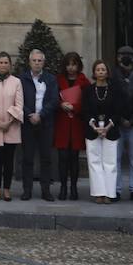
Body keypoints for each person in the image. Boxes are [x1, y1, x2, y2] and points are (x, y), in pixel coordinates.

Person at [19, 49, 60, 201]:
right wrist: (29, 114)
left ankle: (46, 191)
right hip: (28, 123)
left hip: (45, 123)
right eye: (34, 60)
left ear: (44, 62)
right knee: (27, 158)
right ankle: (27, 190)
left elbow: (54, 100)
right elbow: (18, 100)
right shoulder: (22, 79)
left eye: (39, 60)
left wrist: (40, 115)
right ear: (29, 62)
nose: (37, 63)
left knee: (46, 158)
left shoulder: (51, 79)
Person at [83, 59, 126, 203]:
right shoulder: (88, 90)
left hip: (110, 129)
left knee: (110, 162)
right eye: (98, 70)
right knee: (94, 161)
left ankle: (109, 193)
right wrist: (95, 127)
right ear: (94, 73)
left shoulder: (115, 89)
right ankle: (98, 193)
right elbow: (86, 110)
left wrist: (107, 127)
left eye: (103, 69)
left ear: (107, 72)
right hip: (92, 128)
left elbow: (118, 110)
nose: (101, 72)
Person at [0, 51, 23, 201]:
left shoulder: (16, 82)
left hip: (11, 126)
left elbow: (19, 104)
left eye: (6, 62)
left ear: (10, 65)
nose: (3, 65)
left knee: (9, 161)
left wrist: (9, 121)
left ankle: (6, 189)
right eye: (1, 62)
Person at [54, 52, 90, 201]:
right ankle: (63, 187)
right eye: (68, 64)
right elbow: (51, 98)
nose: (71, 67)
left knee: (74, 158)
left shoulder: (84, 81)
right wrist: (61, 104)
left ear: (78, 65)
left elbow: (88, 102)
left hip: (76, 123)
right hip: (62, 123)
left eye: (74, 64)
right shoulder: (58, 79)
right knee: (62, 157)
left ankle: (74, 188)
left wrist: (74, 107)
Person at [114, 46, 133, 202]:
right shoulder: (113, 76)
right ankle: (116, 189)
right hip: (117, 123)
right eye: (122, 55)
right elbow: (112, 101)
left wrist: (132, 119)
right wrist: (120, 118)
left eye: (129, 55)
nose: (125, 58)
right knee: (116, 158)